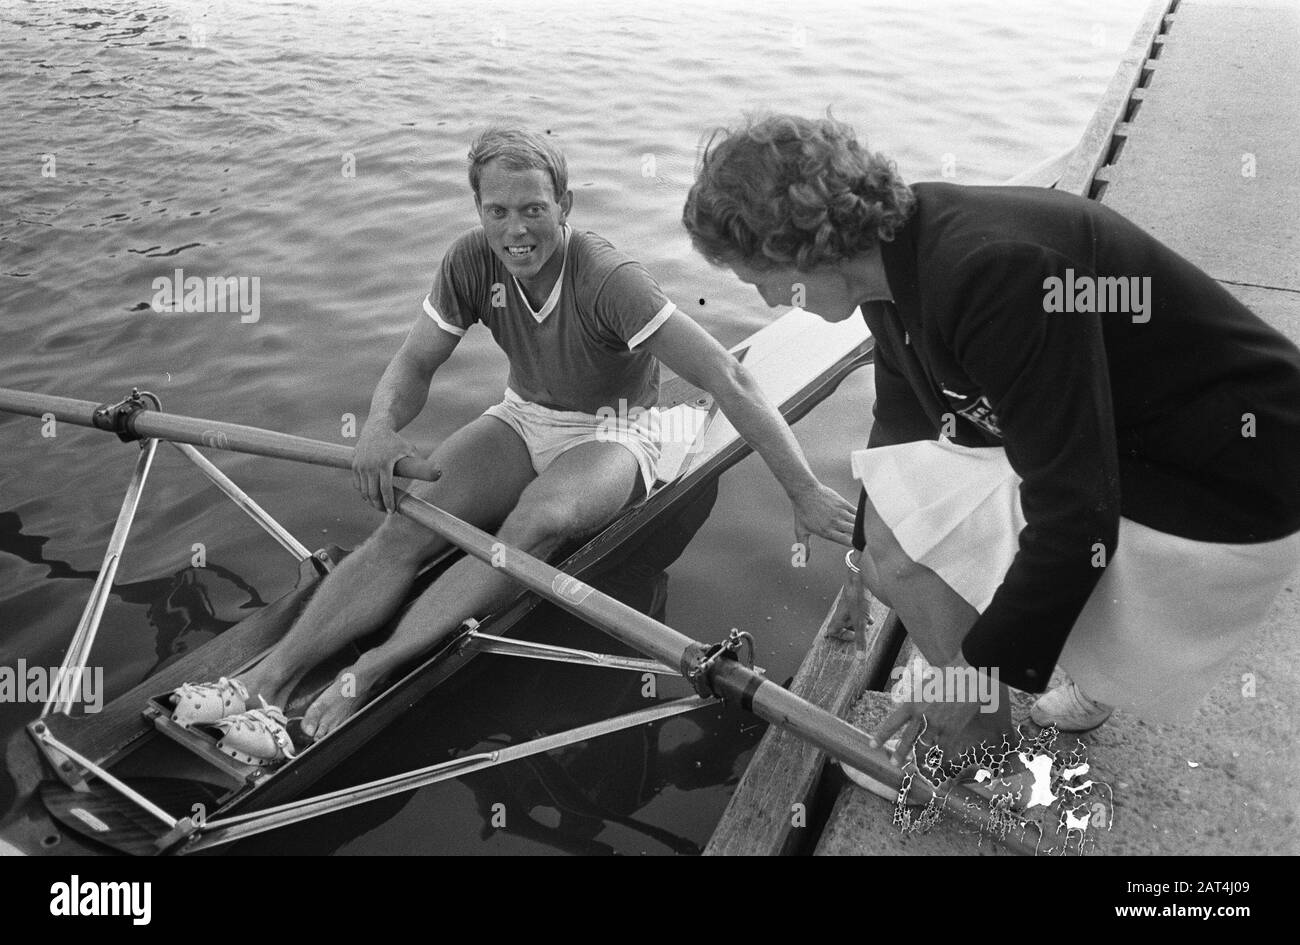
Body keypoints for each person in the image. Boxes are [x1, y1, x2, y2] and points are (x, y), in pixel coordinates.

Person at [170, 127, 856, 764]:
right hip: (525, 415)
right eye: (495, 211)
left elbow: (729, 375)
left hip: (620, 430)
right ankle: (268, 675)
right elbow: (414, 365)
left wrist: (801, 486)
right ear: (478, 211)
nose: (514, 229)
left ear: (565, 205)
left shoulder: (609, 278)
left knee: (538, 520)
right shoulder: (471, 261)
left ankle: (369, 670)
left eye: (532, 209)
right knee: (405, 522)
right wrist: (379, 426)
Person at [681, 113, 1300, 782]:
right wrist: (860, 564)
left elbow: (1075, 513)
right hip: (1144, 443)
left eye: (758, 280)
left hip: (1238, 486)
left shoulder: (994, 271)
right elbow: (905, 421)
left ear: (800, 251)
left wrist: (973, 672)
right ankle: (1083, 669)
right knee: (888, 544)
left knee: (924, 556)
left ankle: (984, 744)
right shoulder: (893, 261)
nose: (768, 301)